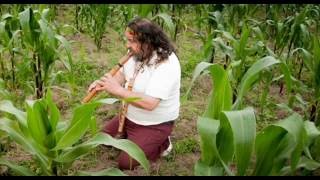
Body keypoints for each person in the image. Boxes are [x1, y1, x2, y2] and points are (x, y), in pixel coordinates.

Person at [87, 17, 181, 170]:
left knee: (126, 163)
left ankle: (163, 143)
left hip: (153, 124)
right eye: (127, 40)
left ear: (148, 42)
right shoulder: (136, 54)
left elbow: (150, 103)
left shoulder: (167, 64)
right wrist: (103, 84)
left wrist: (117, 90)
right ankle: (132, 136)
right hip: (128, 116)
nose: (127, 45)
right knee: (102, 139)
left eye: (131, 41)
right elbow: (121, 76)